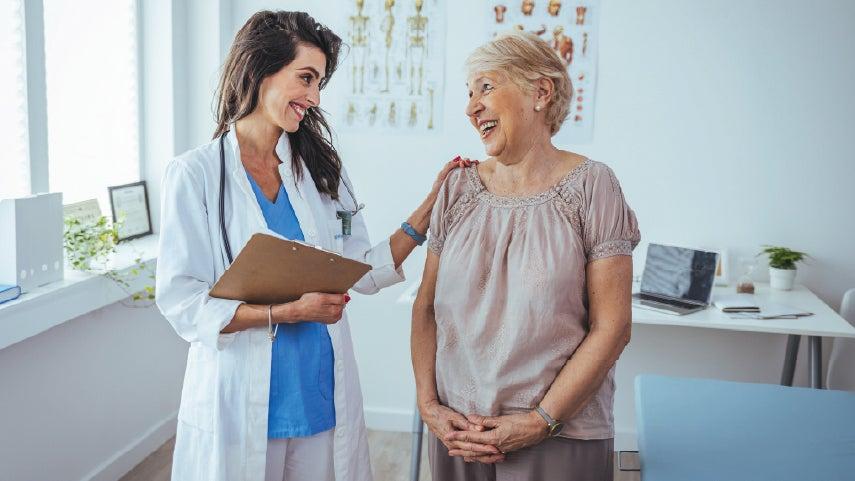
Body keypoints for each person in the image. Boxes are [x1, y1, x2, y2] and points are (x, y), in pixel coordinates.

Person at [155, 11, 471, 481]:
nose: (315, 97)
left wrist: (431, 203)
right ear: (260, 69)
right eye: (305, 78)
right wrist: (288, 312)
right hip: (239, 399)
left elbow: (362, 270)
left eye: (319, 81)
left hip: (318, 391)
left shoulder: (320, 172)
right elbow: (183, 302)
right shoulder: (196, 175)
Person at [411, 31, 641, 481]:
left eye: (487, 87)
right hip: (459, 435)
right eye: (469, 92)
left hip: (561, 434)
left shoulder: (594, 186)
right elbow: (425, 308)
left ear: (541, 92)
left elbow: (613, 328)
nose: (471, 107)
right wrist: (430, 407)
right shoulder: (457, 188)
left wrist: (541, 420)